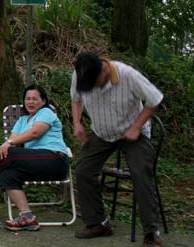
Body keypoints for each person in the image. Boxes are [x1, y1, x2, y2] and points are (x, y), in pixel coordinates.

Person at [70, 52, 164, 246]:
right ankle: (98, 223)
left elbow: (155, 100)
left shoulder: (128, 75)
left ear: (103, 72)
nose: (91, 89)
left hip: (132, 133)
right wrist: (77, 123)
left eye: (93, 85)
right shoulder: (81, 73)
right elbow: (76, 99)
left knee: (140, 172)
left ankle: (151, 232)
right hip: (102, 133)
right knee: (83, 170)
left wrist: (136, 127)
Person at [0, 85, 70, 231]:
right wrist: (8, 144)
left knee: (9, 152)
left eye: (35, 99)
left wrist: (9, 143)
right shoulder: (22, 120)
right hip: (35, 163)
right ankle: (27, 217)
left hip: (54, 160)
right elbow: (12, 141)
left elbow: (35, 133)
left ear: (43, 101)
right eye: (27, 99)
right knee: (8, 174)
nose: (30, 102)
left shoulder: (46, 112)